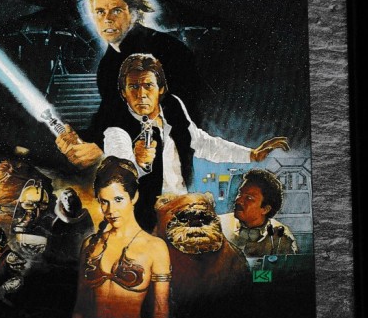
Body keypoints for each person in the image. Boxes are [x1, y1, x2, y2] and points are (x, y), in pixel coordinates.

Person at [96, 53, 289, 232]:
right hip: (144, 223)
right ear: (123, 92)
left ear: (161, 89)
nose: (141, 94)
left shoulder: (173, 107)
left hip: (182, 211)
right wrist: (137, 164)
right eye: (133, 87)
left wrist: (251, 154)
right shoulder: (116, 127)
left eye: (148, 85)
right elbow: (118, 179)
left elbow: (201, 142)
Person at [55, 0, 201, 168]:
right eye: (100, 12)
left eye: (116, 10)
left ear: (133, 13)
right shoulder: (108, 64)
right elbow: (110, 117)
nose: (107, 19)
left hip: (171, 163)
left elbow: (174, 117)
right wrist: (80, 139)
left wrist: (104, 148)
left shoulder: (168, 49)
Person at [70, 156, 171, 318]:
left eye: (118, 200)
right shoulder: (90, 245)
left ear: (134, 197)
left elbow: (160, 311)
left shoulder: (155, 247)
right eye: (104, 202)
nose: (111, 210)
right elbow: (80, 306)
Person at [223, 169, 299, 260]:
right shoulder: (220, 226)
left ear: (265, 209)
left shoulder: (281, 237)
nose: (238, 200)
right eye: (240, 193)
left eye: (249, 198)